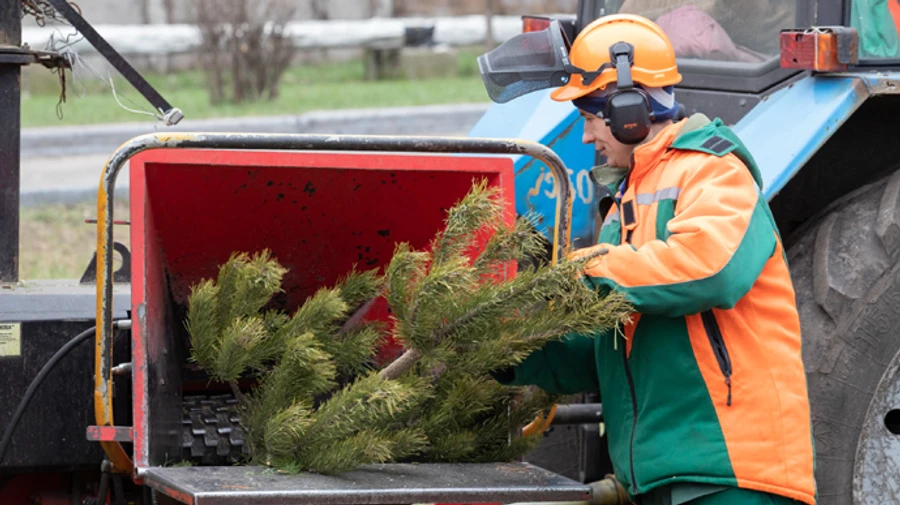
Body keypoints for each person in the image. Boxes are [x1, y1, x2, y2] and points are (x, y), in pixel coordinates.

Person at [491, 14, 817, 505]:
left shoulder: (713, 172)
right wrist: (507, 352)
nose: (585, 138)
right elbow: (612, 347)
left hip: (729, 473)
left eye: (588, 117)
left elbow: (709, 269)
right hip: (667, 477)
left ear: (628, 109)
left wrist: (581, 270)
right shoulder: (625, 204)